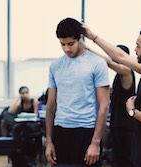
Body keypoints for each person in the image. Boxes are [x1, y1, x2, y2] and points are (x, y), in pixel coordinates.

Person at [82, 25, 141, 167]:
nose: (135, 50)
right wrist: (92, 36)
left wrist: (132, 111)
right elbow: (120, 56)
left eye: (138, 46)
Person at [45, 18, 110, 167]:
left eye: (70, 44)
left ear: (80, 39)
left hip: (86, 131)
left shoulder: (97, 63)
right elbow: (50, 105)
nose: (67, 49)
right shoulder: (55, 66)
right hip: (61, 131)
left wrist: (95, 142)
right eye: (62, 44)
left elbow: (104, 105)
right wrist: (49, 141)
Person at [83, 43, 136, 166]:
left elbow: (106, 62)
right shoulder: (119, 75)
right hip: (117, 124)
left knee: (125, 160)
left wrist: (87, 48)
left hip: (125, 126)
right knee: (117, 159)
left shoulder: (127, 72)